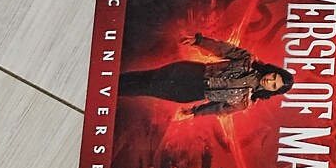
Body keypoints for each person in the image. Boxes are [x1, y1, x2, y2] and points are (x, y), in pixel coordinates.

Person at [118, 34, 292, 117]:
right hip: (192, 71)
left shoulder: (246, 101)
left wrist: (196, 111)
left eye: (273, 85)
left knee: (148, 89)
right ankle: (113, 81)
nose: (269, 81)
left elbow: (219, 108)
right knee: (148, 76)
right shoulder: (248, 60)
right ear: (272, 71)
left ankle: (113, 92)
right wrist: (199, 42)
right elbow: (224, 49)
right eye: (273, 77)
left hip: (192, 93)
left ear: (272, 91)